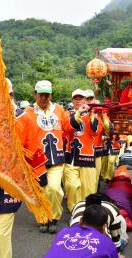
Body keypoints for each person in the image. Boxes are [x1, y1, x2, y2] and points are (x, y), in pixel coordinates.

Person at [21, 80, 80, 233]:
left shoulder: (59, 110)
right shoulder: (27, 114)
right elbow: (19, 136)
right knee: (41, 192)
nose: (44, 98)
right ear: (35, 94)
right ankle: (42, 218)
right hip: (36, 161)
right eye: (41, 95)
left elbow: (68, 126)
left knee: (54, 188)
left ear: (51, 95)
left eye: (47, 95)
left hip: (56, 158)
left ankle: (53, 217)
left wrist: (78, 114)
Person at [63, 89, 99, 212]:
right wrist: (78, 113)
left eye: (81, 98)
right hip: (71, 156)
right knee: (72, 185)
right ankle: (74, 210)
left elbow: (96, 131)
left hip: (87, 155)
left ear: (85, 100)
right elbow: (67, 127)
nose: (78, 100)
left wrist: (92, 114)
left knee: (88, 189)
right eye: (75, 98)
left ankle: (85, 214)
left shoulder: (92, 114)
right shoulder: (67, 114)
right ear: (72, 100)